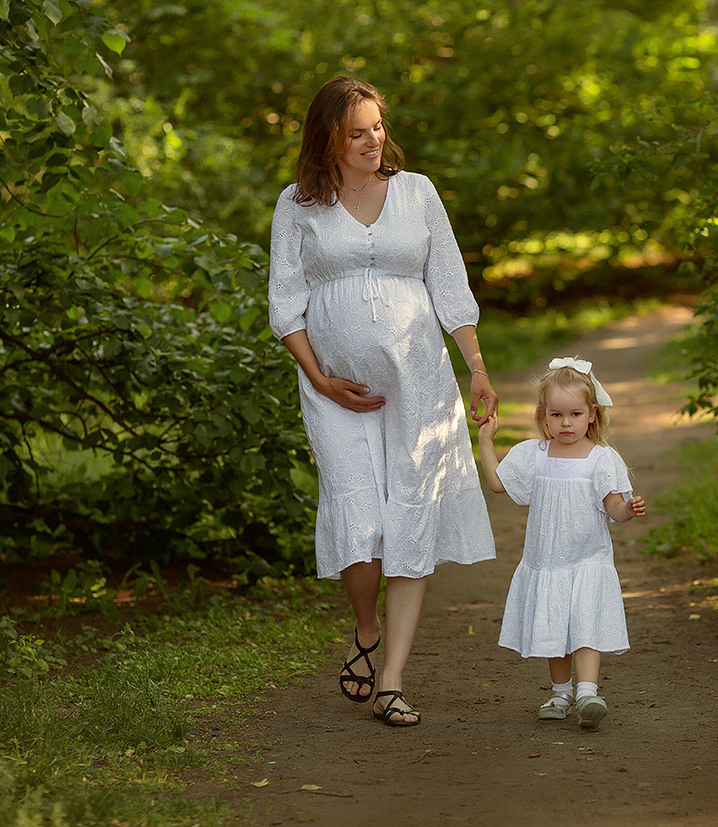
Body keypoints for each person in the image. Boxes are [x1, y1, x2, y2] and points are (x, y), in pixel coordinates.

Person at [268, 76, 497, 727]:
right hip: (336, 393)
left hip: (419, 387)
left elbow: (450, 287)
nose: (374, 140)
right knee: (360, 525)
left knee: (410, 523)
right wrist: (318, 377)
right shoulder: (298, 205)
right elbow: (285, 304)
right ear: (328, 141)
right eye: (357, 132)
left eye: (377, 127)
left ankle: (392, 677)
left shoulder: (417, 192)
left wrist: (476, 367)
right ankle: (366, 625)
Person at [477, 357, 646, 729]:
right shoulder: (534, 457)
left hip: (588, 559)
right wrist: (485, 441)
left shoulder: (601, 460)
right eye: (556, 415)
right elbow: (497, 483)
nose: (565, 423)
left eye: (574, 414)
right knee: (554, 627)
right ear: (543, 415)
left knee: (585, 622)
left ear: (591, 414)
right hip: (548, 560)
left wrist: (628, 510)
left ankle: (588, 693)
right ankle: (560, 691)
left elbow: (613, 507)